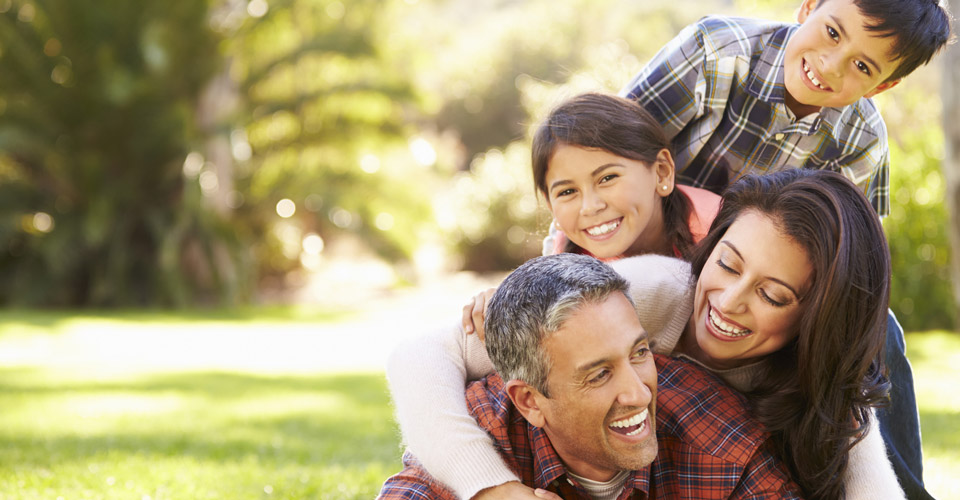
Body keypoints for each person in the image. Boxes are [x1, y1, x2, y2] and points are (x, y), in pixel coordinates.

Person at [388, 169, 904, 499]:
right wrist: (492, 488)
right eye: (727, 264)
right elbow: (421, 354)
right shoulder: (649, 290)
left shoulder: (824, 397)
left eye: (773, 296)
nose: (727, 302)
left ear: (815, 320)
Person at [611, 1, 953, 495]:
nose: (831, 65)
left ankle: (895, 485)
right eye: (833, 32)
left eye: (862, 66)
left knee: (879, 331)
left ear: (884, 86)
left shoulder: (861, 139)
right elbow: (606, 158)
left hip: (768, 294)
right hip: (664, 253)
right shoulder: (717, 52)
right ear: (809, 5)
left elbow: (854, 270)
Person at [378, 253, 803, 499]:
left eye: (639, 353)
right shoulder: (479, 430)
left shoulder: (720, 440)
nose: (638, 394)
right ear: (529, 401)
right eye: (599, 375)